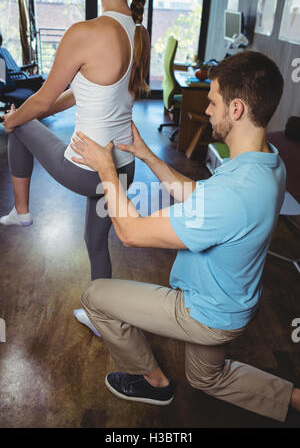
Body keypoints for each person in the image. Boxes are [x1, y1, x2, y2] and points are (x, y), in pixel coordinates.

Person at [70, 51, 300, 422]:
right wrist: (147, 155)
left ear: (236, 109)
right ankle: (293, 398)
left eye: (213, 102)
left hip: (204, 311)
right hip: (234, 306)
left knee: (95, 296)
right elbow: (200, 195)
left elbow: (129, 233)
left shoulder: (234, 193)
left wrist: (106, 171)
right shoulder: (269, 162)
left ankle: (154, 383)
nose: (207, 110)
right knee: (207, 378)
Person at [0, 0, 150, 335]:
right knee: (95, 242)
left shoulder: (85, 32)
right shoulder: (138, 31)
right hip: (122, 171)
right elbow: (77, 91)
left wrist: (12, 120)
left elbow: (40, 100)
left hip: (87, 170)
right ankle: (102, 319)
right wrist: (32, 109)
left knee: (23, 127)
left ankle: (21, 212)